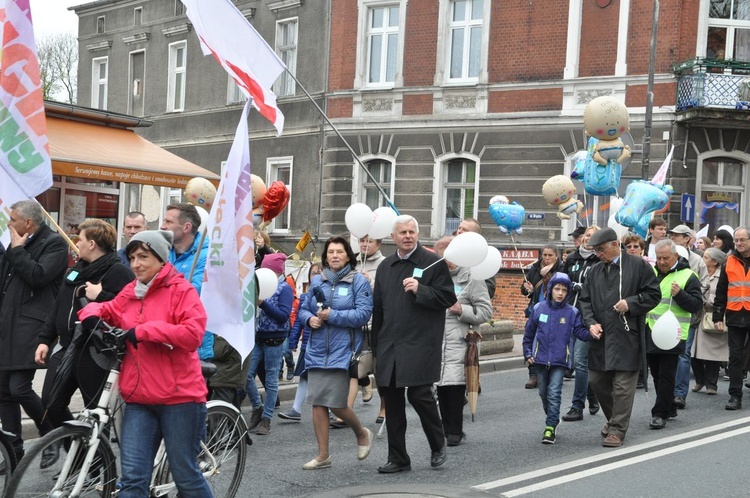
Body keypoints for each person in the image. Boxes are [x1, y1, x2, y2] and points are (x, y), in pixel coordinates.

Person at [79, 230, 212, 497]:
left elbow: (192, 334)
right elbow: (105, 308)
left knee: (186, 477)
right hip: (139, 398)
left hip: (180, 399)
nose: (136, 264)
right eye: (132, 257)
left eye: (144, 256)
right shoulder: (130, 291)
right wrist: (90, 315)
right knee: (132, 481)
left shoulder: (181, 290)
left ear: (161, 259)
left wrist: (145, 331)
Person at [36, 219, 133, 466]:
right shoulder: (76, 269)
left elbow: (127, 309)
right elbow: (58, 306)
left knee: (95, 413)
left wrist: (99, 295)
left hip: (95, 351)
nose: (76, 243)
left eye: (79, 239)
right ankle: (79, 459)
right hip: (67, 347)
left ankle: (99, 470)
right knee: (50, 403)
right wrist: (45, 339)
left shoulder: (118, 271)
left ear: (92, 243)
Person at [372, 215, 456, 473]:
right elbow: (379, 310)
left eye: (411, 232)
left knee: (419, 395)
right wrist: (375, 347)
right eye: (402, 233)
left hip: (421, 341)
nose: (407, 236)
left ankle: (437, 443)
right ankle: (398, 458)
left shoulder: (432, 263)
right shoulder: (386, 266)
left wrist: (421, 289)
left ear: (417, 235)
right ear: (393, 237)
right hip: (390, 343)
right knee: (393, 401)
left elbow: (447, 298)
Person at [579, 227, 661, 447]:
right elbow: (584, 300)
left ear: (615, 245)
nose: (598, 254)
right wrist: (590, 323)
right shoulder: (595, 270)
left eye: (601, 249)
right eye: (595, 250)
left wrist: (631, 303)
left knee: (623, 387)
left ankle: (616, 430)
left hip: (627, 336)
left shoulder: (637, 265)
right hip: (601, 336)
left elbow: (654, 294)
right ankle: (614, 420)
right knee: (597, 381)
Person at [296, 237, 373, 469]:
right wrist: (309, 320)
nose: (335, 255)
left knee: (337, 404)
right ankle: (323, 456)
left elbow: (363, 314)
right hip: (318, 349)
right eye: (331, 252)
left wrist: (333, 316)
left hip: (344, 350)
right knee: (318, 402)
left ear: (348, 255)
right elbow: (302, 309)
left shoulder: (358, 281)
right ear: (326, 256)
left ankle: (361, 433)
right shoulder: (318, 281)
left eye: (340, 251)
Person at [0, 200, 68, 462]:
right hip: (8, 324)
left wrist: (16, 251)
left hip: (32, 328)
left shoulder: (54, 244)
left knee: (19, 388)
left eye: (13, 219)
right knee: (4, 392)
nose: (9, 224)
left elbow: (38, 276)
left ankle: (48, 431)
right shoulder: (16, 243)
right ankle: (13, 450)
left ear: (28, 222)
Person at [523, 272, 601, 444]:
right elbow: (528, 335)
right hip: (540, 360)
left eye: (564, 290)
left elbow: (579, 332)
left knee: (554, 393)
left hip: (559, 361)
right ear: (550, 289)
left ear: (568, 293)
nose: (560, 293)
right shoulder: (539, 309)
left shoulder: (572, 312)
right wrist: (528, 353)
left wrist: (591, 333)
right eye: (557, 289)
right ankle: (552, 416)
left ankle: (550, 426)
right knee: (543, 393)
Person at [432, 236, 492, 446]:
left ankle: (455, 430)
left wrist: (461, 310)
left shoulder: (473, 278)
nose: (446, 259)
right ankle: (446, 428)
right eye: (442, 254)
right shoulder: (435, 276)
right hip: (437, 340)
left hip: (461, 341)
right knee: (440, 385)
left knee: (455, 386)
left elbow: (485, 311)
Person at [645, 240, 703, 429]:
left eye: (665, 258)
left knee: (666, 375)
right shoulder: (650, 273)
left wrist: (680, 294)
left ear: (675, 257)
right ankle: (669, 406)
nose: (661, 262)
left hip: (673, 333)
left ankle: (659, 414)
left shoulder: (688, 276)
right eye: (658, 258)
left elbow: (696, 306)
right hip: (651, 329)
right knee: (655, 373)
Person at [246, 253, 293, 435]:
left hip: (275, 339)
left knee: (271, 379)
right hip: (257, 337)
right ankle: (257, 407)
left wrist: (263, 304)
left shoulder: (284, 288)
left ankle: (266, 418)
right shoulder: (259, 284)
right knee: (247, 375)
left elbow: (283, 316)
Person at [561, 226, 601, 422]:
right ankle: (593, 395)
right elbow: (560, 282)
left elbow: (601, 289)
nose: (588, 239)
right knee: (574, 359)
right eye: (586, 235)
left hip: (588, 317)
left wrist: (581, 287)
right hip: (570, 315)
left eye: (593, 237)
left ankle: (577, 406)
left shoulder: (600, 261)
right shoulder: (572, 259)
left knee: (579, 361)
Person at [668, 225, 708, 410]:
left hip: (688, 316)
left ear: (688, 239)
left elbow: (705, 287)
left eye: (677, 236)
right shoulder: (664, 257)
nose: (673, 238)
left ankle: (679, 394)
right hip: (665, 316)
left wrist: (688, 294)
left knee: (683, 354)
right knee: (667, 354)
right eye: (672, 235)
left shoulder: (698, 260)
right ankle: (666, 392)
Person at [279, 263, 322, 422]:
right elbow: (298, 321)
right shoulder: (305, 297)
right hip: (308, 344)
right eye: (313, 273)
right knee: (305, 376)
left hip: (324, 344)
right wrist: (293, 341)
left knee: (323, 378)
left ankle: (331, 410)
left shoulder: (331, 295)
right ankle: (296, 409)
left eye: (319, 273)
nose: (316, 276)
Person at [712, 227, 750, 410]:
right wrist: (717, 316)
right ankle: (735, 395)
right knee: (734, 357)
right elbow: (721, 290)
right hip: (735, 314)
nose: (739, 243)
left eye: (743, 240)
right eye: (736, 240)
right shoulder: (729, 262)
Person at [521, 244, 564, 388]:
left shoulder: (561, 269)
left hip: (555, 311)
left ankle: (551, 372)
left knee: (551, 342)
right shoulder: (535, 268)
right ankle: (533, 374)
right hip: (536, 309)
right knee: (532, 339)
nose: (546, 258)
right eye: (544, 255)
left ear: (556, 256)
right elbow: (525, 288)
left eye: (550, 255)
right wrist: (527, 289)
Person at [355, 236, 387, 422]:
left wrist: (370, 283)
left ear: (379, 244)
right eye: (362, 240)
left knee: (380, 368)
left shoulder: (384, 264)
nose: (365, 244)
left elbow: (386, 293)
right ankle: (363, 384)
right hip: (356, 323)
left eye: (370, 241)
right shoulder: (353, 262)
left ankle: (384, 407)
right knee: (353, 367)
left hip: (376, 324)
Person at [691, 248, 728, 395]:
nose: (702, 259)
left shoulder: (722, 275)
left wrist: (708, 300)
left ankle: (712, 384)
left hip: (715, 316)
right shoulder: (699, 271)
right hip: (699, 316)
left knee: (713, 353)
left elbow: (723, 295)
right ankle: (700, 380)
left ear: (715, 261)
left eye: (706, 257)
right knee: (693, 352)